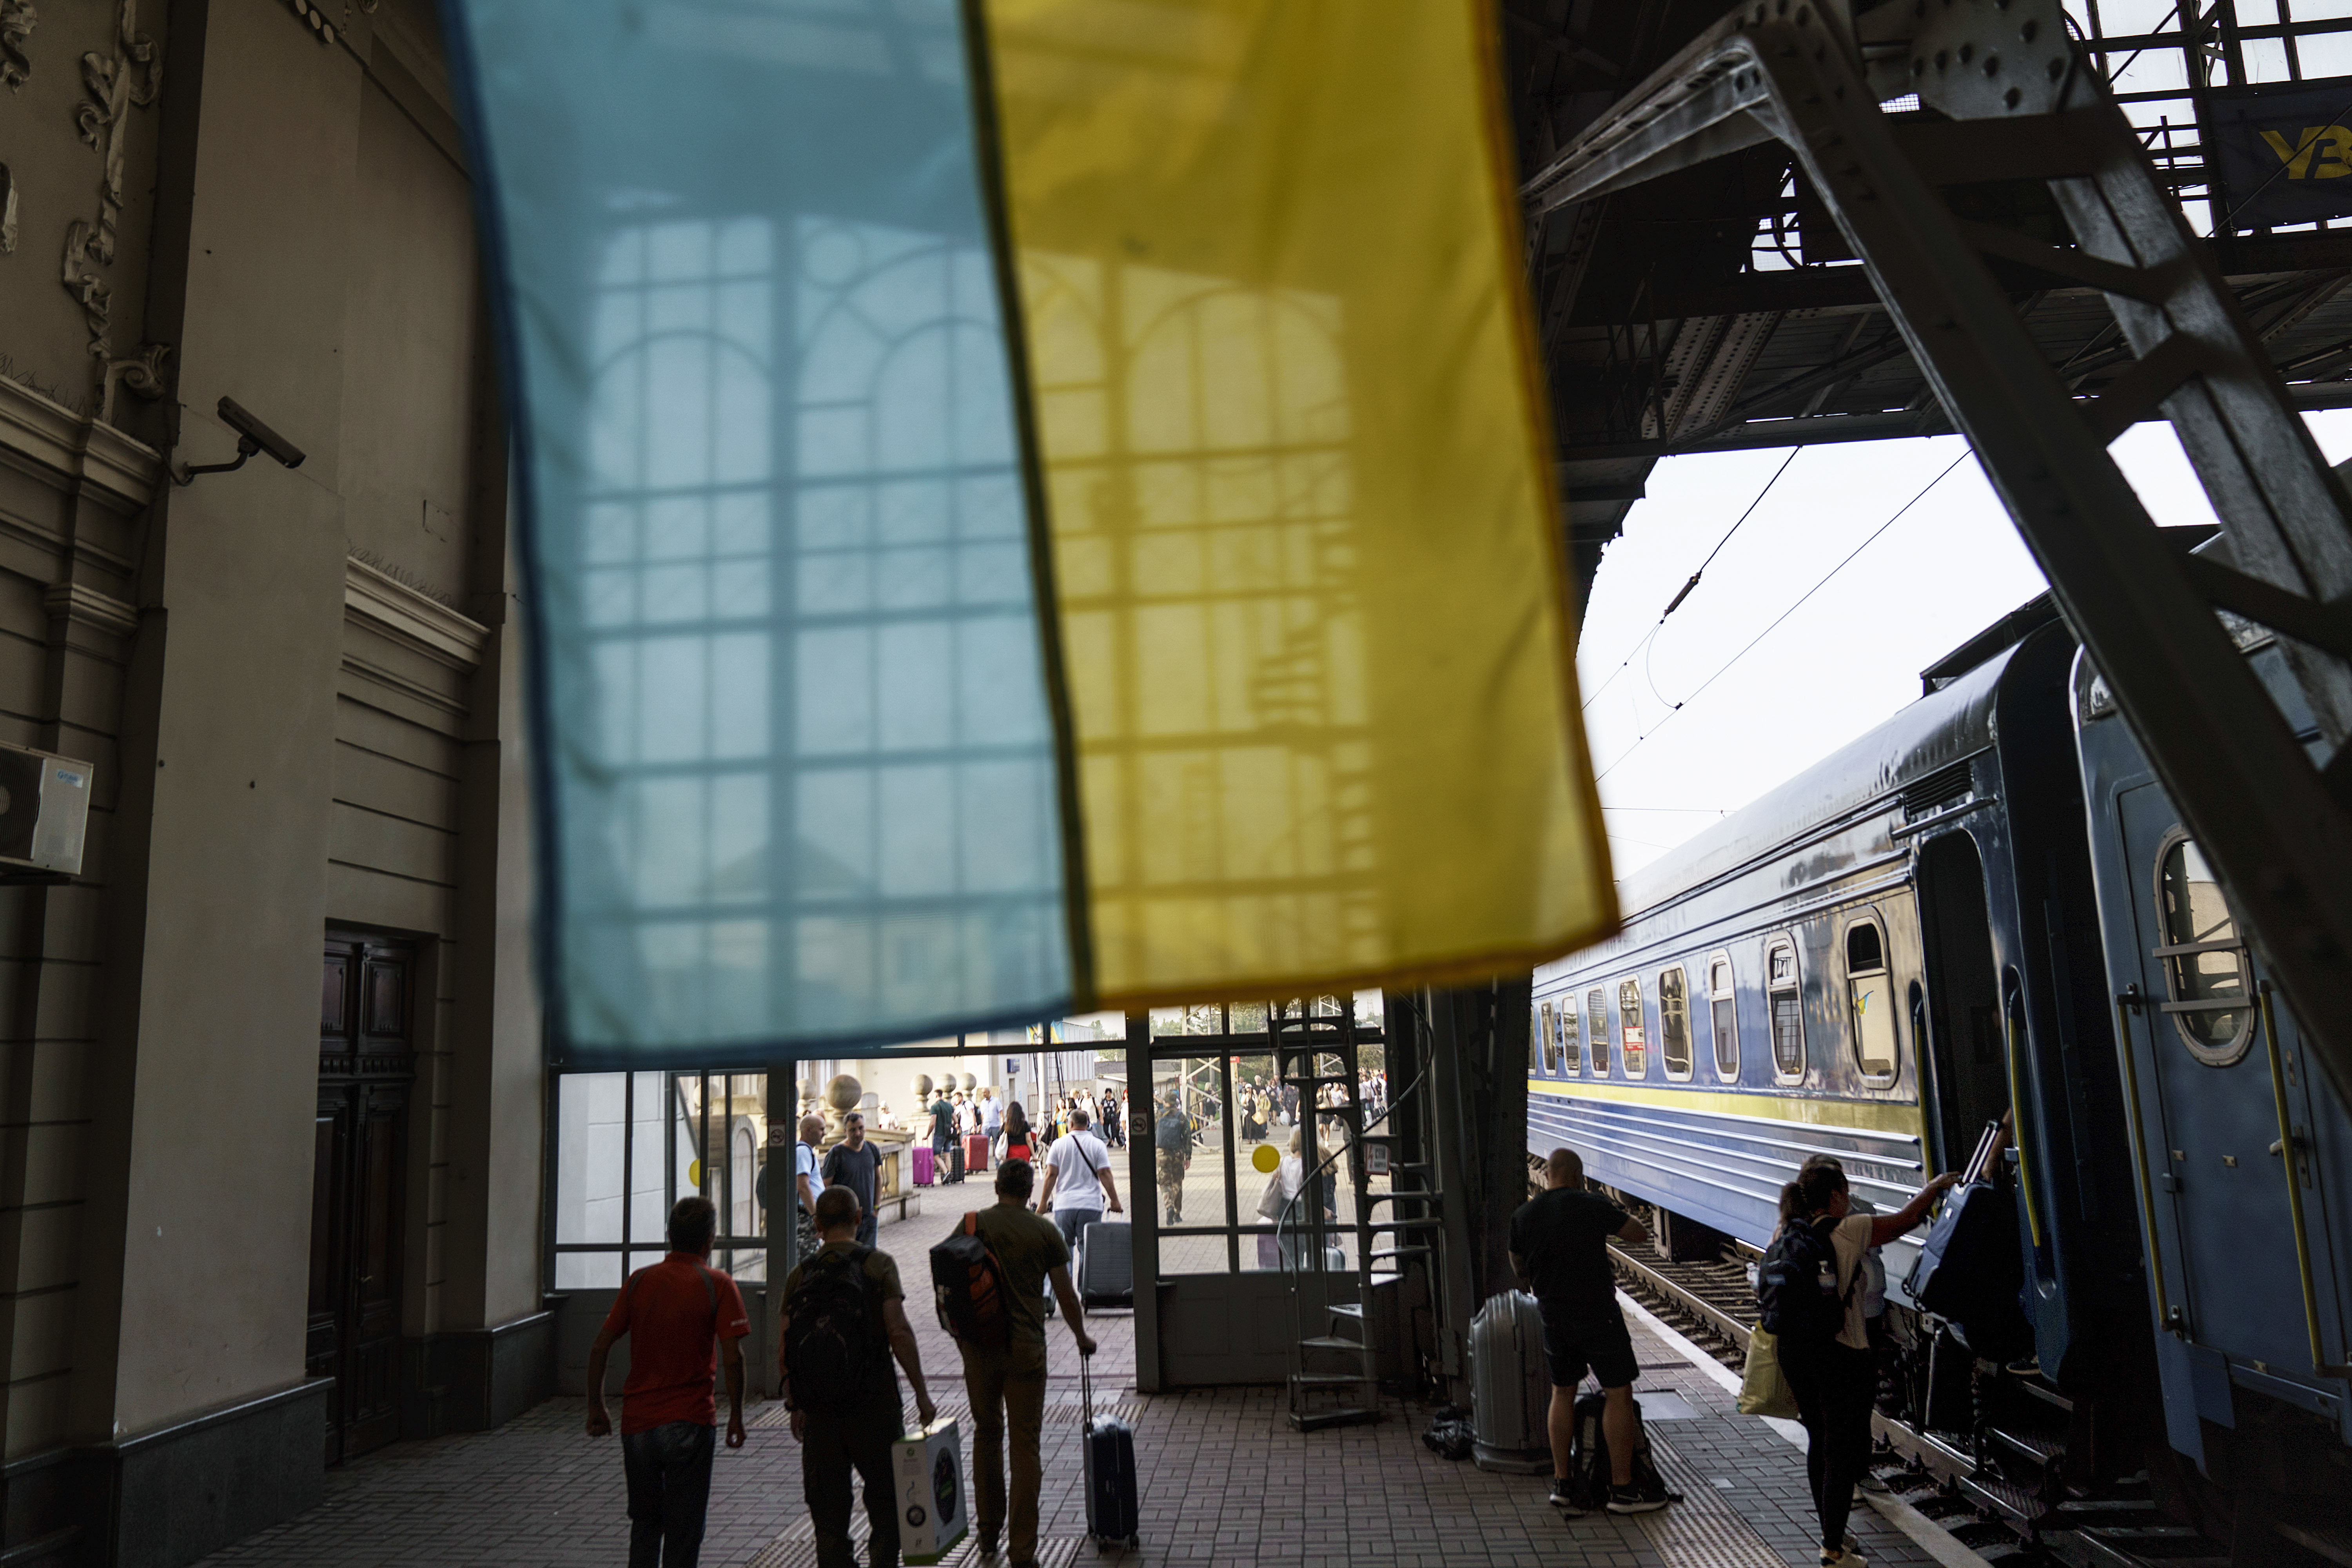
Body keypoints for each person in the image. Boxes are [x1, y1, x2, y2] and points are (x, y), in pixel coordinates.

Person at [1773, 1162, 1960, 1568]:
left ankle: (1833, 1534)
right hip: (1839, 1355)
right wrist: (1936, 1186)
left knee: (1819, 1442)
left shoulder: (1787, 1231)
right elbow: (1905, 1220)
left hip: (1794, 1352)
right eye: (1846, 1191)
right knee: (1840, 1453)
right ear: (1837, 1197)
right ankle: (1833, 1551)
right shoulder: (1850, 1228)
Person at [585, 1196, 750, 1568]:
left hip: (638, 1426)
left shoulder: (640, 1280)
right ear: (711, 1239)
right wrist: (736, 1416)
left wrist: (597, 1407)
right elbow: (733, 1358)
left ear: (669, 1236)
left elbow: (599, 1348)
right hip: (690, 1423)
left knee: (645, 1524)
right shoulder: (718, 1284)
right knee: (684, 1530)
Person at [779, 1185, 938, 1568]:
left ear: (817, 1225)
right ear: (858, 1217)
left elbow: (786, 1345)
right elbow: (898, 1331)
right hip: (875, 1404)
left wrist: (794, 1403)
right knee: (887, 1500)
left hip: (820, 1412)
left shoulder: (800, 1275)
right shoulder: (879, 1265)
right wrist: (921, 1393)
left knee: (829, 1514)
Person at [1508, 1148, 1669, 1516]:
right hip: (1598, 1316)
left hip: (1554, 1316)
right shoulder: (1590, 1204)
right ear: (1577, 1174)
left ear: (1548, 1174)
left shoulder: (1524, 1215)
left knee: (1562, 1392)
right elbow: (1638, 1234)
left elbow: (1518, 1267)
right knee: (1618, 1393)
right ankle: (1623, 1491)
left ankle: (1564, 1484)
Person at [958, 1156, 1097, 1566]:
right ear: (1030, 1189)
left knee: (986, 1435)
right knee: (1025, 1447)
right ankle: (1022, 1550)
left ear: (997, 1186)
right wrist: (1081, 1336)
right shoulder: (1043, 1230)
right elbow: (1066, 1294)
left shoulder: (972, 1224)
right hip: (1025, 1349)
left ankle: (987, 1536)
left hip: (980, 1350)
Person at [1036, 1106, 1123, 1267]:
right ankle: (1087, 1290)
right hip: (1090, 1206)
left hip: (1064, 1206)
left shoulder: (1058, 1144)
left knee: (1064, 1252)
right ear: (1088, 1124)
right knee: (1088, 1251)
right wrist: (1115, 1201)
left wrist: (1043, 1204)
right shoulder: (1098, 1145)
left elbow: (1051, 1175)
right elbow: (1105, 1174)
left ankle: (1065, 1291)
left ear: (1070, 1124)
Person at [821, 1114, 884, 1246]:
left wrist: (876, 1207)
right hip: (845, 1220)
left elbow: (878, 1178)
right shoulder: (836, 1153)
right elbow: (826, 1187)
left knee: (868, 1260)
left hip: (868, 1216)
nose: (858, 1133)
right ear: (845, 1131)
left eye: (861, 1128)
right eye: (853, 1130)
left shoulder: (872, 1149)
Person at [1155, 1094, 1192, 1227]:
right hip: (1178, 1154)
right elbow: (1188, 1137)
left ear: (1165, 1102)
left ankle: (1169, 1206)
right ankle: (1177, 1213)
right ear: (1175, 1102)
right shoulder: (1181, 1117)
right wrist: (1188, 1157)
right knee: (1177, 1183)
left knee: (1165, 1183)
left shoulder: (1159, 1115)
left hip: (1161, 1153)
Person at [794, 1114, 824, 1263]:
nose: (824, 1133)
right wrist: (815, 1216)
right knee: (808, 1264)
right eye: (821, 1129)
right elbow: (803, 1187)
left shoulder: (804, 1151)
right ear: (808, 1130)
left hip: (806, 1216)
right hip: (805, 1217)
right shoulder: (803, 1152)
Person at [928, 1087, 959, 1185]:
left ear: (936, 1096)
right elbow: (956, 1120)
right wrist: (952, 1126)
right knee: (947, 1154)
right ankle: (948, 1179)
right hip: (949, 1134)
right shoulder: (949, 1106)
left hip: (940, 1134)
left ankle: (946, 1172)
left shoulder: (935, 1107)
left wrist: (927, 1134)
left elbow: (933, 1123)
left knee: (935, 1155)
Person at [1002, 1102, 1036, 1166]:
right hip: (1024, 1151)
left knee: (1013, 1173)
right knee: (1024, 1172)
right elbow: (1029, 1140)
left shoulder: (1006, 1125)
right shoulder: (1025, 1124)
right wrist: (1034, 1155)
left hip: (1011, 1151)